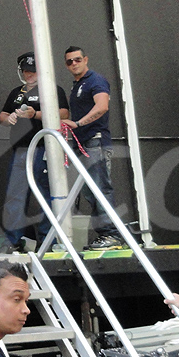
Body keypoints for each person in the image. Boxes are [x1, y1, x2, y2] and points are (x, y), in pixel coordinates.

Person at [0, 52, 69, 252]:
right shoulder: (16, 92)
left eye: (33, 71)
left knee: (47, 195)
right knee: (15, 196)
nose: (30, 75)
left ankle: (50, 241)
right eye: (26, 71)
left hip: (43, 148)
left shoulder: (53, 89)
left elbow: (64, 113)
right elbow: (2, 114)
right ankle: (13, 240)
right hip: (20, 149)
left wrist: (35, 114)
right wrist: (9, 118)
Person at [62, 46, 123, 250]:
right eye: (69, 61)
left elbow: (102, 106)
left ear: (85, 59)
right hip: (84, 143)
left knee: (99, 189)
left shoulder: (95, 80)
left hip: (95, 141)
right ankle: (106, 235)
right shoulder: (78, 84)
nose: (74, 64)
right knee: (90, 191)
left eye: (77, 59)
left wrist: (78, 123)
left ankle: (112, 235)